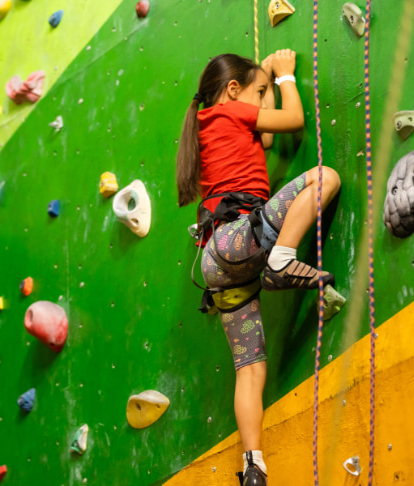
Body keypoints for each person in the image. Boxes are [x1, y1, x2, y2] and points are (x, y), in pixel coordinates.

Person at [175, 51, 341, 485]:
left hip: (219, 263)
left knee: (250, 365)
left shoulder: (215, 121)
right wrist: (284, 77)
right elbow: (291, 121)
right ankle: (282, 260)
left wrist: (261, 76)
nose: (261, 100)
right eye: (258, 94)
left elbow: (265, 137)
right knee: (325, 177)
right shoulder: (229, 110)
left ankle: (254, 465)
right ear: (233, 92)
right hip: (239, 237)